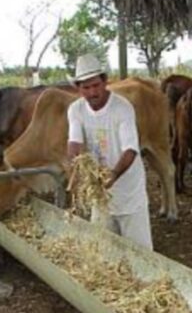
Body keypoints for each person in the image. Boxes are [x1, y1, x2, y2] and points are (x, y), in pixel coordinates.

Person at [66, 54, 153, 250]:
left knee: (140, 251)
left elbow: (131, 150)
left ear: (105, 82)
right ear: (79, 88)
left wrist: (113, 175)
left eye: (96, 85)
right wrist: (76, 168)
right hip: (100, 193)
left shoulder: (122, 108)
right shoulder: (75, 110)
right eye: (86, 88)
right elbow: (74, 142)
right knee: (103, 249)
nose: (92, 92)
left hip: (129, 191)